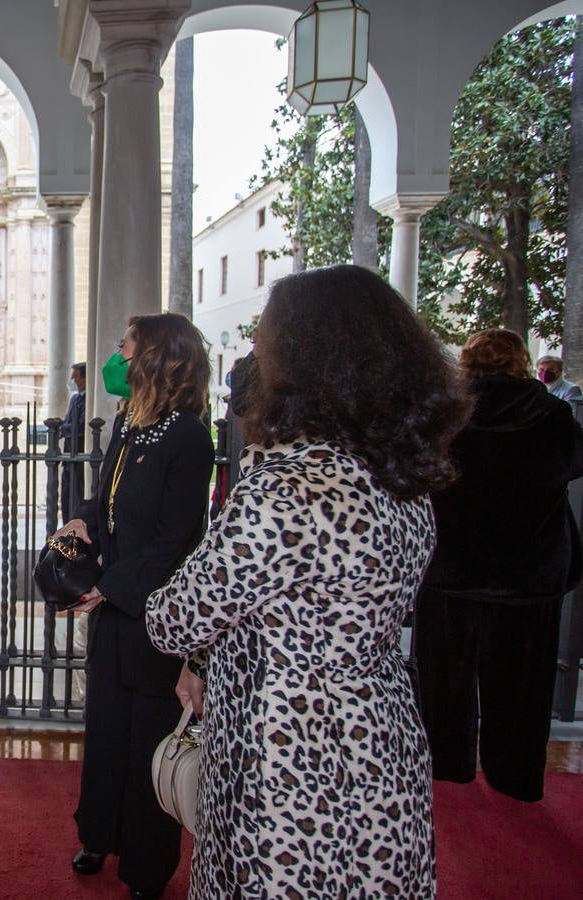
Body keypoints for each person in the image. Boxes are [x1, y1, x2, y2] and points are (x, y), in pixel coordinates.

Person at [146, 265, 470, 899]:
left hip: (288, 757)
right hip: (382, 732)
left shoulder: (288, 486)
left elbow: (176, 617)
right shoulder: (400, 474)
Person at [50, 315, 214, 899]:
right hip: (115, 602)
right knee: (107, 725)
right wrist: (83, 519)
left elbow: (177, 537)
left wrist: (112, 587)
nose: (115, 356)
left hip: (155, 608)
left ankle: (146, 866)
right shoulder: (129, 420)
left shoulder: (191, 435)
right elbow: (107, 499)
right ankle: (99, 833)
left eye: (125, 346)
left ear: (157, 357)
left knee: (146, 732)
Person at [419, 329, 583, 801]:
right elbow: (574, 464)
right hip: (528, 573)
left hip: (452, 569)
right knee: (523, 687)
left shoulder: (447, 416)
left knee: (444, 682)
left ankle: (448, 769)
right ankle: (515, 777)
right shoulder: (553, 415)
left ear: (467, 364)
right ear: (521, 362)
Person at [57, 362, 86, 522]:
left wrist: (63, 428)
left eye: (75, 376)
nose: (72, 380)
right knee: (66, 498)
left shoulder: (88, 399)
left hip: (79, 455)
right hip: (68, 456)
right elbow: (69, 422)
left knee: (77, 498)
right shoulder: (75, 398)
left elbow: (81, 426)